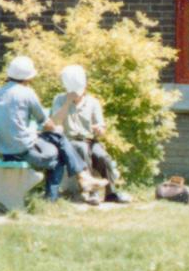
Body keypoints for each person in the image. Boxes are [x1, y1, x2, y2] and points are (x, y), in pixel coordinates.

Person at [0, 55, 85, 201]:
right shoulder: (27, 93)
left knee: (57, 140)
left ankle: (82, 177)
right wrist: (55, 129)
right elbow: (45, 123)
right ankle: (54, 197)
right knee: (59, 151)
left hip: (2, 149)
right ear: (28, 78)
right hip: (22, 151)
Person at [50, 65, 131, 203]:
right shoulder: (59, 99)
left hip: (90, 140)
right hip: (70, 142)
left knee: (102, 156)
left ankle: (111, 193)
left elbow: (101, 127)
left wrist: (100, 129)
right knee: (82, 148)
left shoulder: (93, 102)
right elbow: (55, 121)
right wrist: (68, 102)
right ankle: (91, 192)